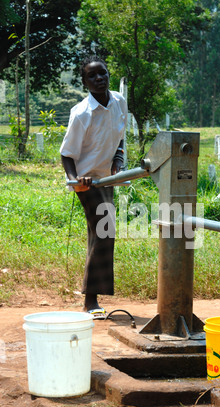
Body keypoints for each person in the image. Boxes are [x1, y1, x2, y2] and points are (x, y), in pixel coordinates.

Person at [60, 55, 128, 312]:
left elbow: (119, 138)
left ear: (108, 75)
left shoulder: (119, 102)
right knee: (104, 232)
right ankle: (90, 300)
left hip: (108, 178)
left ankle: (92, 296)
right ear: (84, 82)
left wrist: (118, 162)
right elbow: (66, 154)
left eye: (103, 73)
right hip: (86, 181)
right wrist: (74, 180)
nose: (99, 79)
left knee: (101, 233)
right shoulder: (81, 114)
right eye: (92, 76)